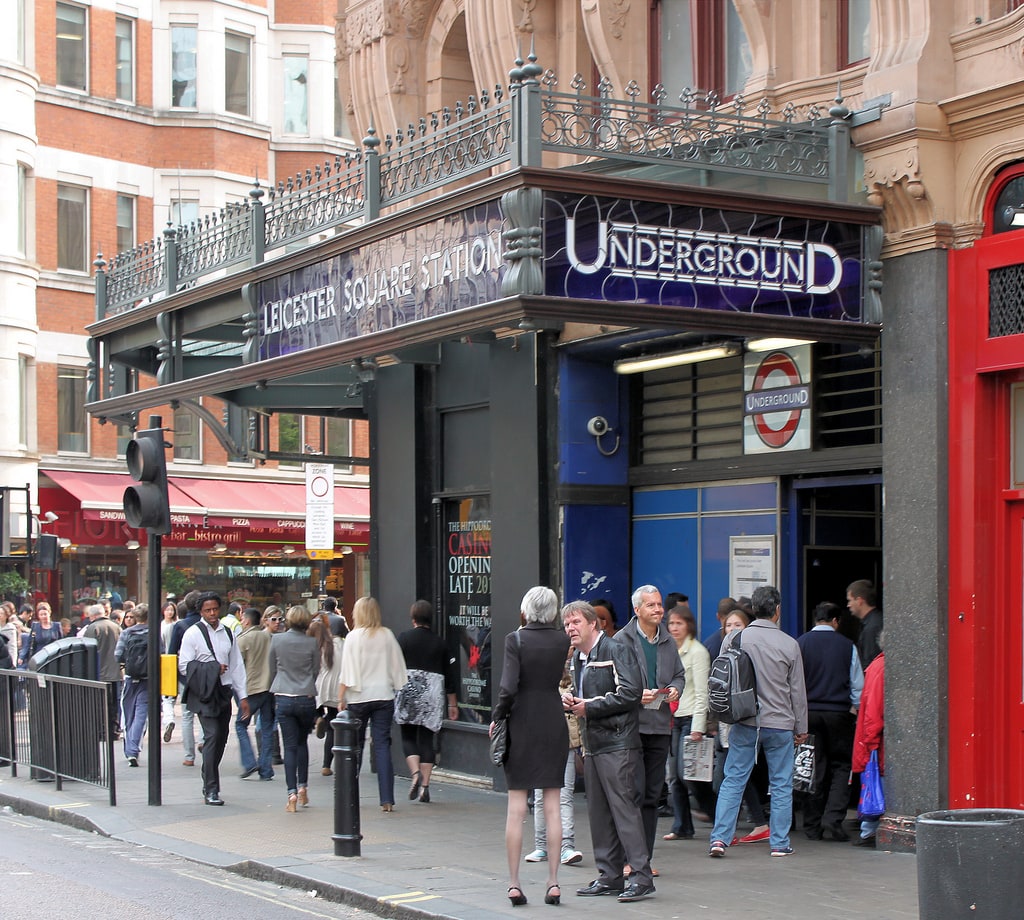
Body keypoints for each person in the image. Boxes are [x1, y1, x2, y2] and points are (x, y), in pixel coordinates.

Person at [564, 600, 654, 903]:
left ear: (593, 624)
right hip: (594, 745)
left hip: (618, 745)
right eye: (567, 624)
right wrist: (575, 702)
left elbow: (630, 693)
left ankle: (641, 877)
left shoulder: (616, 650)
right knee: (599, 813)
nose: (570, 629)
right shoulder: (578, 658)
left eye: (576, 622)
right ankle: (610, 875)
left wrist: (589, 707)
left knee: (625, 811)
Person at [709, 585, 808, 859]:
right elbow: (797, 691)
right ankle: (779, 843)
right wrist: (801, 727)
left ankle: (719, 839)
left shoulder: (735, 639)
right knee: (780, 783)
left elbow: (722, 679)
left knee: (734, 779)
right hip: (780, 723)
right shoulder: (790, 644)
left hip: (745, 720)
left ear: (753, 609)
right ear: (777, 610)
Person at [491, 587, 570, 907]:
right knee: (552, 806)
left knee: (516, 808)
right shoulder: (563, 641)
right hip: (553, 721)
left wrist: (497, 716)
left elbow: (508, 687)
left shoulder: (516, 640)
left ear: (525, 611)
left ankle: (514, 883)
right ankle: (553, 882)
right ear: (552, 612)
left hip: (522, 723)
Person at [615, 585, 685, 868]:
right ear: (637, 610)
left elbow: (679, 674)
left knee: (652, 795)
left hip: (660, 727)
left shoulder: (668, 640)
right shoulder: (621, 640)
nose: (658, 610)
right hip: (632, 728)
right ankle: (626, 858)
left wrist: (676, 689)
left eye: (659, 605)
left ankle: (643, 859)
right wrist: (635, 695)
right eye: (651, 605)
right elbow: (613, 681)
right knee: (632, 793)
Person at [797, 601, 864, 842]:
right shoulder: (847, 646)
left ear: (816, 619)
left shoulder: (800, 643)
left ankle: (812, 825)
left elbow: (793, 682)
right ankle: (833, 819)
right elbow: (857, 686)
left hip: (809, 715)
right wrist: (856, 708)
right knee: (841, 766)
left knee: (813, 767)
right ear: (836, 621)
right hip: (838, 714)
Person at [178, 591, 250, 806]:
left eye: (215, 609)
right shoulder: (192, 634)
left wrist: (243, 696)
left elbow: (237, 666)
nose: (212, 613)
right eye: (207, 610)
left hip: (224, 691)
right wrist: (212, 669)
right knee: (212, 736)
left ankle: (207, 772)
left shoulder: (228, 633)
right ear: (200, 611)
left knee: (221, 739)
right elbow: (184, 666)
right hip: (203, 693)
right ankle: (212, 788)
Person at [338, 596, 408, 812]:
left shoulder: (353, 637)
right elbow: (399, 668)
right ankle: (387, 799)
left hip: (359, 697)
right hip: (383, 696)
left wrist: (341, 698)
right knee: (382, 746)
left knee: (354, 748)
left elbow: (346, 671)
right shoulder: (387, 635)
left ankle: (350, 795)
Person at [526, 640, 584, 867]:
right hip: (541, 741)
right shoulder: (538, 676)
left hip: (566, 741)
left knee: (564, 795)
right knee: (541, 796)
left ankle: (566, 847)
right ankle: (542, 846)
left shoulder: (576, 672)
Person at [395, 600, 457, 803]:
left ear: (413, 618)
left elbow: (394, 666)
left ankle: (414, 774)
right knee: (427, 740)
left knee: (408, 735)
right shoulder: (440, 643)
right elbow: (450, 674)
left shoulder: (403, 638)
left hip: (409, 691)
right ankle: (425, 786)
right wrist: (452, 703)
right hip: (432, 694)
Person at [664, 605, 711, 841]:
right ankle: (682, 826)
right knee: (674, 776)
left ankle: (711, 810)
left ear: (688, 625)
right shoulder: (669, 649)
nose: (674, 628)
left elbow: (703, 692)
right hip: (672, 717)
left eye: (678, 623)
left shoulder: (698, 652)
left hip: (691, 717)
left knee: (687, 774)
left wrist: (698, 727)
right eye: (671, 623)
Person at [269, 605, 320, 812]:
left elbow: (272, 668)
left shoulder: (277, 640)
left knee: (289, 746)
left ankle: (291, 794)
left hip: (284, 695)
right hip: (306, 696)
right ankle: (303, 787)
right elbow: (316, 670)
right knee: (301, 743)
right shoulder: (312, 643)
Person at [852, 639, 885, 848]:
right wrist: (871, 740)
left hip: (871, 738)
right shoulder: (881, 668)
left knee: (874, 782)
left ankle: (869, 829)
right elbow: (874, 709)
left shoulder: (876, 666)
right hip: (875, 740)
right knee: (877, 781)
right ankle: (869, 830)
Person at [236, 607, 276, 781]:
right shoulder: (268, 637)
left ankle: (249, 761)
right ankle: (266, 769)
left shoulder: (243, 639)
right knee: (267, 728)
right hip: (269, 687)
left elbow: (238, 666)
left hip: (252, 688)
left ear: (246, 620)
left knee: (240, 725)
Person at [114, 603, 152, 767]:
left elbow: (117, 655)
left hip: (130, 678)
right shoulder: (154, 633)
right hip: (148, 679)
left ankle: (129, 749)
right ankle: (133, 749)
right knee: (141, 715)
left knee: (128, 714)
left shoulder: (127, 633)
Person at [168, 591, 202, 766]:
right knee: (205, 710)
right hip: (206, 674)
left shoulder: (180, 626)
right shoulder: (206, 624)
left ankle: (189, 756)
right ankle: (203, 740)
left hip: (184, 675)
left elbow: (171, 654)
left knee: (187, 715)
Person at [82, 601, 123, 738]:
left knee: (100, 704)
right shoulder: (116, 627)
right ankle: (115, 730)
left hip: (99, 673)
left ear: (92, 616)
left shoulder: (92, 628)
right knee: (115, 704)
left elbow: (87, 652)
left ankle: (101, 731)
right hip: (116, 672)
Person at [310, 611, 345, 776]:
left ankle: (318, 718)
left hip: (320, 688)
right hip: (336, 689)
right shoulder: (342, 645)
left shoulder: (320, 645)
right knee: (333, 727)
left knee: (319, 710)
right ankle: (326, 765)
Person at [847, 579, 883, 668]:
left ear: (859, 600)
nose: (848, 605)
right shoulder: (875, 621)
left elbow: (869, 664)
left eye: (850, 600)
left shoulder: (872, 627)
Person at [17, 603, 63, 667]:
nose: (43, 616)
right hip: (39, 657)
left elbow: (61, 643)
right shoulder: (35, 626)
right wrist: (22, 657)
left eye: (45, 614)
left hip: (53, 657)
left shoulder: (57, 626)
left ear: (49, 613)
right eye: (41, 615)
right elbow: (29, 643)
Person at [159, 601, 178, 742]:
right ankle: (169, 720)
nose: (170, 612)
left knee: (168, 697)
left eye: (172, 610)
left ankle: (169, 719)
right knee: (169, 697)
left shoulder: (165, 627)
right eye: (168, 610)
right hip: (171, 663)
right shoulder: (166, 626)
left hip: (167, 662)